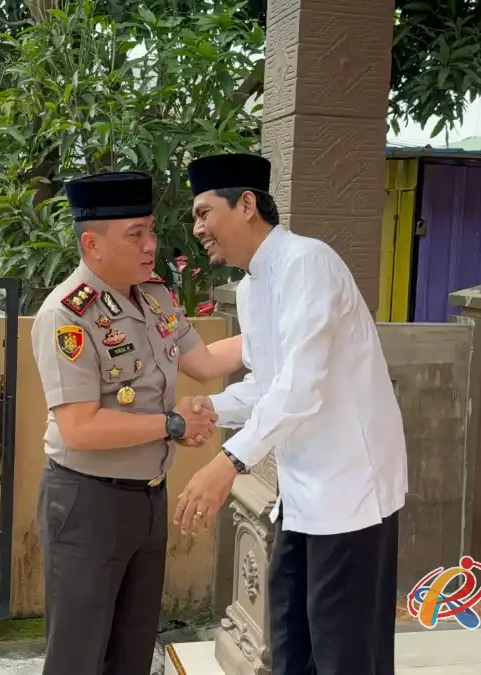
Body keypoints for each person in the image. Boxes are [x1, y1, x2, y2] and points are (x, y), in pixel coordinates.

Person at [174, 153, 408, 675]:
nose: (198, 229)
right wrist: (210, 409)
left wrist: (227, 463)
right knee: (289, 639)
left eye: (204, 212)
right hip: (302, 492)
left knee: (344, 651)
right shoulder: (252, 287)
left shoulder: (308, 262)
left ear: (247, 204)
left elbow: (301, 387)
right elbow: (269, 384)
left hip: (350, 490)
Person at [30, 170, 242, 675]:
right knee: (78, 657)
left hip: (147, 497)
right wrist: (172, 424)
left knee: (132, 651)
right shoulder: (67, 315)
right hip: (88, 502)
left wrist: (292, 331)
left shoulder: (153, 296)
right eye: (135, 234)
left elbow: (206, 362)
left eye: (151, 231)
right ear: (92, 244)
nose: (151, 245)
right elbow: (80, 427)